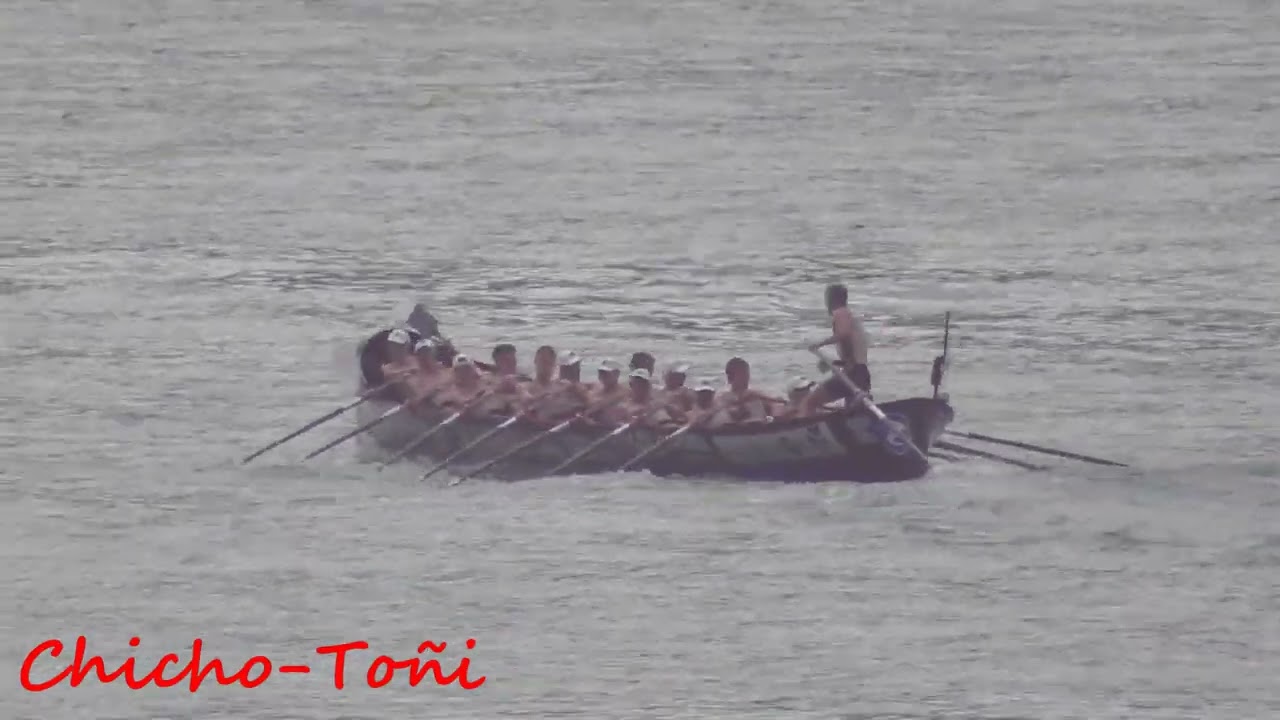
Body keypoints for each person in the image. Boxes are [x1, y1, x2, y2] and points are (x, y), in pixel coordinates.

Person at [803, 283, 871, 414]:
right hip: (861, 374)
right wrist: (836, 364)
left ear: (831, 299)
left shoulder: (841, 313)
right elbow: (850, 346)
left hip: (854, 374)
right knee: (851, 412)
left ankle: (808, 430)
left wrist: (819, 344)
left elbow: (843, 334)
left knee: (809, 402)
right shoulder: (849, 316)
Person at [716, 357, 785, 424]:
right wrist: (743, 401)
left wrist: (775, 404)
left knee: (778, 405)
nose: (746, 378)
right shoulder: (723, 397)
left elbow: (778, 403)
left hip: (762, 428)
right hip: (740, 430)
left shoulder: (756, 394)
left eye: (746, 373)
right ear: (730, 377)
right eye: (742, 374)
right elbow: (736, 416)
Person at [617, 368, 685, 428]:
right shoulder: (624, 405)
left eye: (644, 383)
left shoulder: (659, 404)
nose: (641, 386)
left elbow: (678, 419)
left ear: (649, 385)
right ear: (631, 385)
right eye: (638, 383)